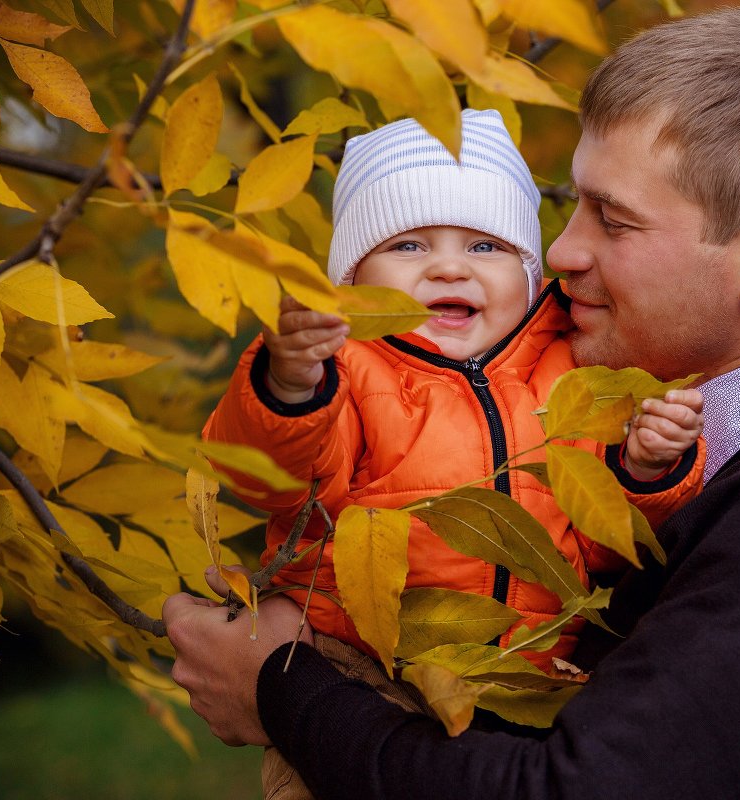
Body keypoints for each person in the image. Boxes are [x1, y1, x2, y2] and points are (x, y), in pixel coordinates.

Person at [164, 8, 740, 799]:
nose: (561, 252)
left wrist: (282, 689)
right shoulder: (689, 448)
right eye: (573, 207)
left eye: (613, 221)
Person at [201, 109, 706, 798]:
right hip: (359, 673)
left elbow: (599, 546)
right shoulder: (347, 372)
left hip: (526, 679)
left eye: (485, 247)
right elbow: (274, 480)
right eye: (408, 246)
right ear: (351, 279)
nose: (448, 266)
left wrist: (647, 468)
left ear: (529, 273)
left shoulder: (567, 375)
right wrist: (289, 384)